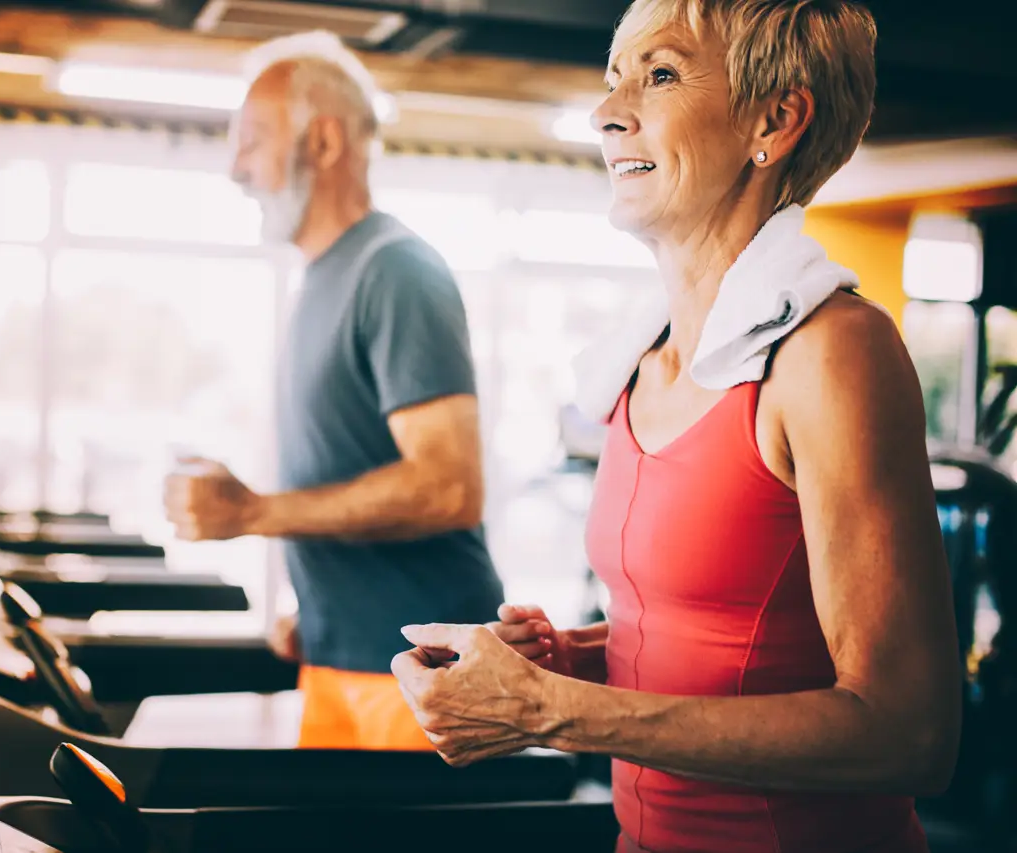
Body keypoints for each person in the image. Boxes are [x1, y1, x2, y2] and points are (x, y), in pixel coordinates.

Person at [392, 1, 961, 850]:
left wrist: (557, 710)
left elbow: (908, 732)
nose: (607, 110)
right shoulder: (639, 361)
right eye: (612, 77)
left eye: (658, 75)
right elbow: (719, 642)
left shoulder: (833, 353)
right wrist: (563, 660)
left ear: (775, 120)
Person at [164, 31, 504, 751]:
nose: (235, 168)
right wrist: (316, 604)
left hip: (420, 669)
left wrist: (253, 510)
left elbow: (448, 487)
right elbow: (347, 464)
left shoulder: (398, 271)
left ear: (322, 143)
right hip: (338, 652)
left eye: (252, 141)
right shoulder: (324, 277)